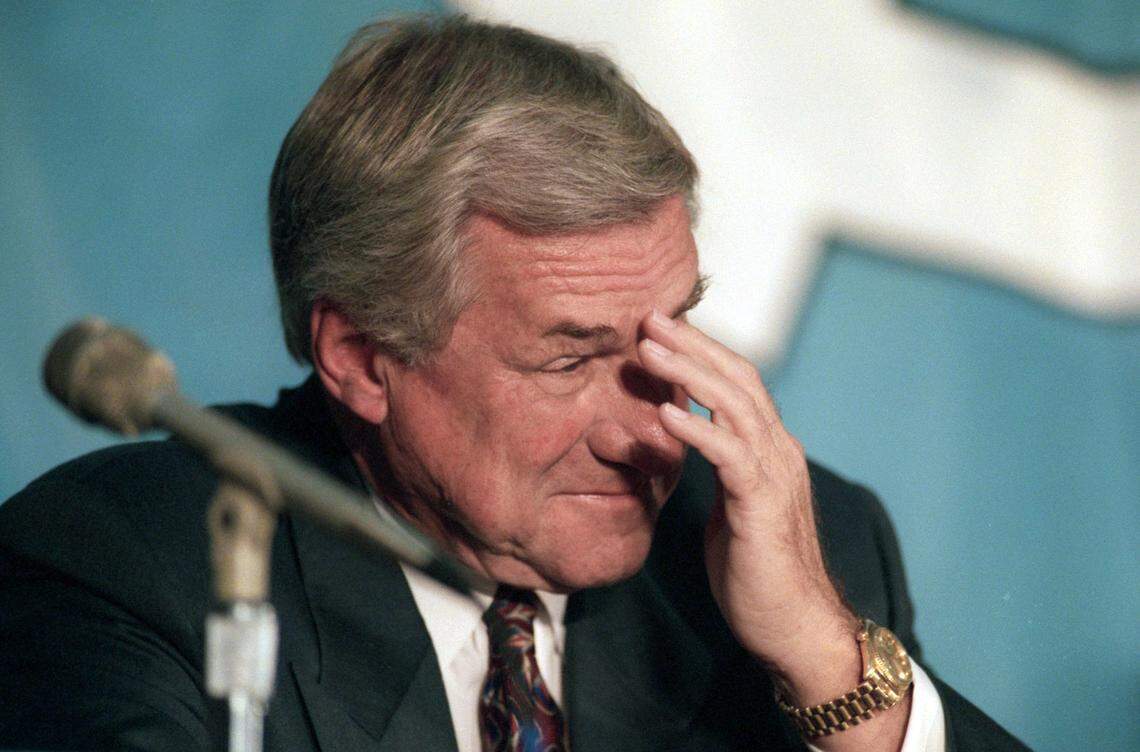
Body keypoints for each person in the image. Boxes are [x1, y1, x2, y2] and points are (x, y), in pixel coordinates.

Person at [0, 16, 1026, 752]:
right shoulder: (124, 568)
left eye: (669, 334)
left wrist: (833, 669)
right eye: (570, 357)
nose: (653, 434)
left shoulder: (801, 557)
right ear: (361, 357)